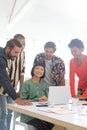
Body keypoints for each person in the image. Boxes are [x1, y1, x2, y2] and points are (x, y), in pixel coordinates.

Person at [0, 39, 32, 130]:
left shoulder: (3, 55)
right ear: (8, 48)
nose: (17, 55)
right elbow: (4, 80)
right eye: (15, 52)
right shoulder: (1, 58)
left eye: (18, 53)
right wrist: (17, 99)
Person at [20, 63, 54, 130]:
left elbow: (48, 100)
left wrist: (47, 99)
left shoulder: (44, 85)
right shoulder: (26, 84)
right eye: (37, 68)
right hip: (29, 116)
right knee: (46, 127)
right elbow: (22, 101)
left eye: (42, 69)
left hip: (42, 114)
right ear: (33, 70)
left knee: (55, 124)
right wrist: (38, 99)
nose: (39, 71)